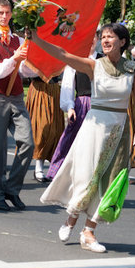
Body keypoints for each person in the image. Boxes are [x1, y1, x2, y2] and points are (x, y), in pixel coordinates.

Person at [33, 23, 135, 253]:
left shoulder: (133, 68)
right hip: (94, 127)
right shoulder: (94, 65)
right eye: (103, 37)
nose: (105, 40)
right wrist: (36, 39)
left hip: (119, 130)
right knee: (86, 176)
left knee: (108, 181)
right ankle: (71, 218)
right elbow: (64, 55)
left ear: (122, 42)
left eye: (110, 37)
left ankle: (89, 232)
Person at [0, 0, 35, 211]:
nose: (4, 16)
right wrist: (14, 58)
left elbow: (26, 71)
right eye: (0, 13)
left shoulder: (19, 40)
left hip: (17, 95)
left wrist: (40, 64)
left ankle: (12, 188)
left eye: (7, 12)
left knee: (28, 143)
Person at [46, 35, 99, 180]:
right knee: (73, 140)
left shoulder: (103, 61)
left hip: (101, 106)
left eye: (94, 37)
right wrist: (69, 107)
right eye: (89, 36)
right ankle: (64, 173)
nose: (91, 40)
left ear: (98, 39)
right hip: (82, 105)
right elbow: (68, 87)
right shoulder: (74, 61)